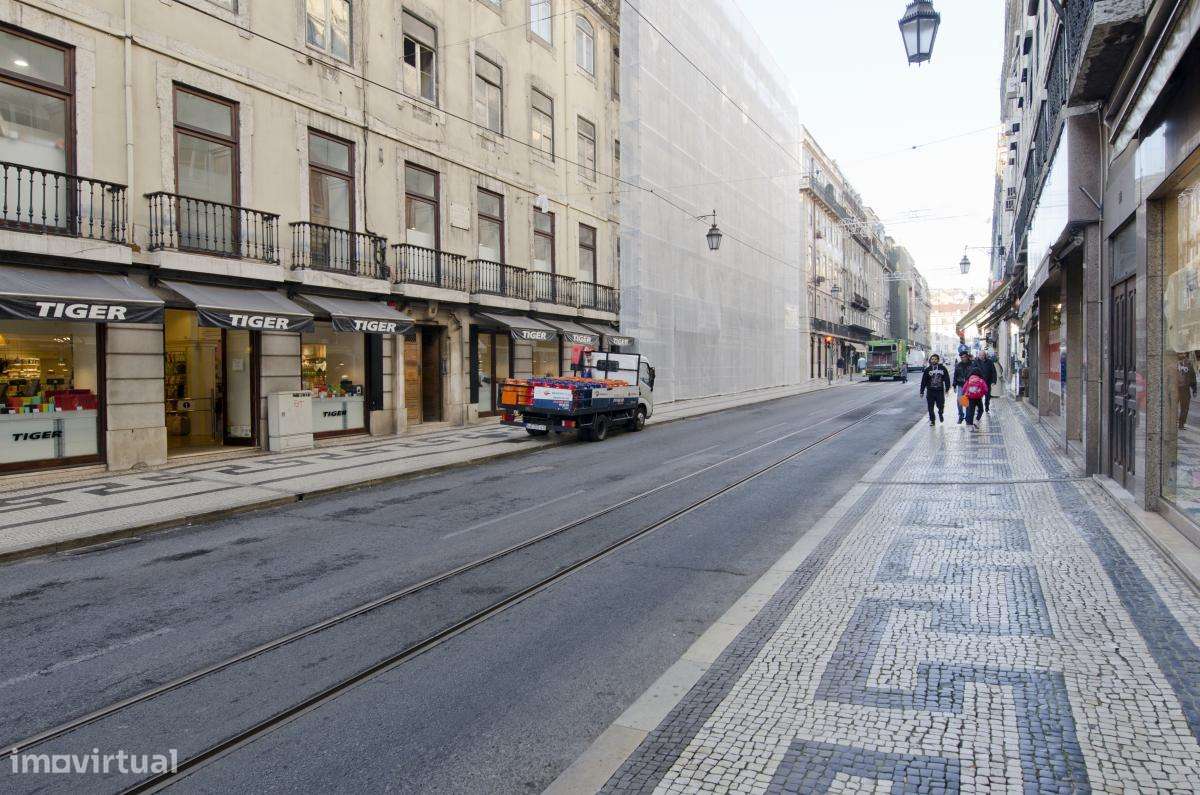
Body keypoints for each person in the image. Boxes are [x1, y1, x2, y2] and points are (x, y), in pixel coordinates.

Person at [919, 353, 951, 426]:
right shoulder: (927, 370)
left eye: (935, 359)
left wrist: (947, 388)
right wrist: (922, 391)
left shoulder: (942, 368)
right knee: (930, 407)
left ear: (938, 360)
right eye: (932, 359)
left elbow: (947, 378)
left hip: (939, 391)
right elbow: (924, 381)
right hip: (930, 391)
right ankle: (932, 420)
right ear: (930, 360)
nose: (934, 360)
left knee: (941, 405)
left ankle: (940, 413)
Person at [952, 351, 974, 424]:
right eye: (961, 357)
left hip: (969, 385)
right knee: (959, 400)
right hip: (961, 385)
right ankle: (961, 415)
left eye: (964, 357)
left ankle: (968, 418)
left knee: (967, 402)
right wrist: (954, 385)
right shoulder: (958, 365)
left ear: (967, 356)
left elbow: (976, 373)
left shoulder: (972, 364)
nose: (963, 358)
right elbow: (955, 375)